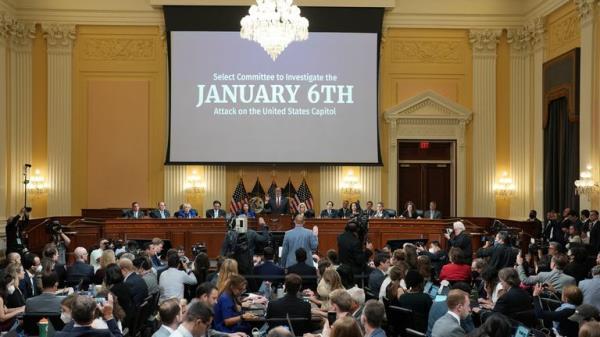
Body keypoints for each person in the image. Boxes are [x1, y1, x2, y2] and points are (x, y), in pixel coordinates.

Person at [55, 294, 123, 337]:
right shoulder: (104, 334)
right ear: (93, 314)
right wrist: (109, 316)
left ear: (72, 313)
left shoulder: (60, 335)